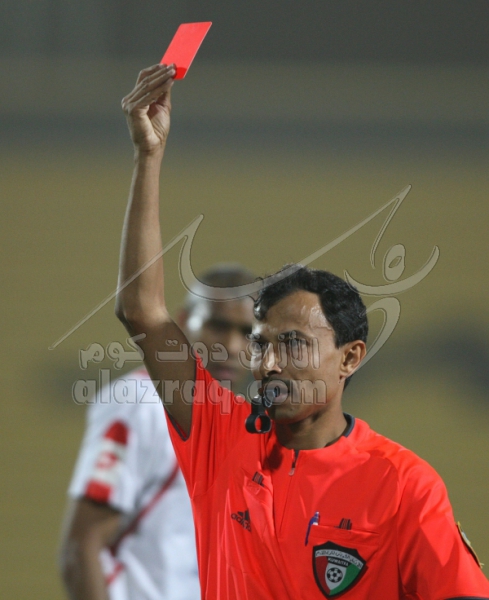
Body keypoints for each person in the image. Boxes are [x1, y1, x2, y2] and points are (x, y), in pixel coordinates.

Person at [115, 63, 489, 599]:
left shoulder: (403, 484)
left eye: (293, 344)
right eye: (261, 344)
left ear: (350, 357)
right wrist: (147, 155)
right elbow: (141, 311)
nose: (269, 363)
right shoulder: (217, 437)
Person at [59, 262, 256, 600]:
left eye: (248, 333)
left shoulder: (239, 419)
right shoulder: (140, 402)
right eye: (218, 325)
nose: (233, 345)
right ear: (183, 322)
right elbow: (81, 547)